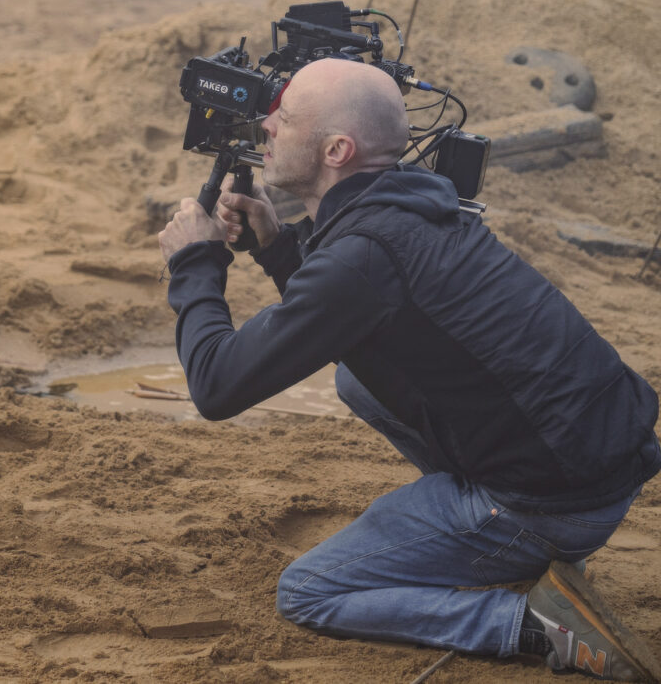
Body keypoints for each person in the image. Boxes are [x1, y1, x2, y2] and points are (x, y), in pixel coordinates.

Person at [158, 58, 661, 680]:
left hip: (553, 503)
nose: (266, 125)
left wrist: (195, 262)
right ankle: (521, 545)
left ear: (336, 150)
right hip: (600, 463)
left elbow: (216, 386)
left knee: (309, 591)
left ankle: (535, 624)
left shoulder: (361, 257)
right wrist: (278, 244)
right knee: (356, 380)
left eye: (285, 117)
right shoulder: (412, 203)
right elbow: (355, 310)